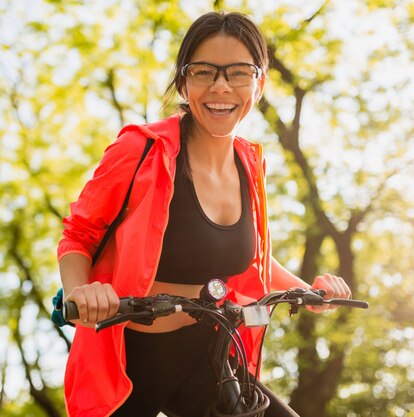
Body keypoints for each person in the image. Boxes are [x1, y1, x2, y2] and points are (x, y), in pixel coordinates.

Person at [58, 11, 352, 417]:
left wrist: (312, 291)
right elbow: (79, 235)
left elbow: (255, 262)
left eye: (238, 73)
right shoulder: (141, 150)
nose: (220, 87)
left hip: (207, 353)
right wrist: (81, 291)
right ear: (183, 81)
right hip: (128, 356)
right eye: (203, 72)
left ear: (259, 83)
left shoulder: (251, 166)